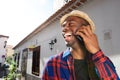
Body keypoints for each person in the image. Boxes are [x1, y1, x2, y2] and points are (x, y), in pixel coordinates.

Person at [42, 10, 120, 80]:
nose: (64, 29)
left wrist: (96, 51)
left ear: (86, 29)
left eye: (71, 24)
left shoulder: (103, 61)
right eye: (63, 26)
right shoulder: (52, 63)